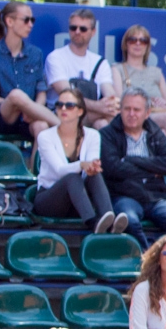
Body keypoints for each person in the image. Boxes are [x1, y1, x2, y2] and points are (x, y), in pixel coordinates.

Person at [102, 89, 166, 247]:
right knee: (129, 220)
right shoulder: (107, 134)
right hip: (124, 196)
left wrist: (132, 160)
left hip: (154, 197)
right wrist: (152, 170)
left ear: (147, 112)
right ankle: (147, 259)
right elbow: (113, 168)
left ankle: (158, 255)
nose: (131, 114)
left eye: (136, 109)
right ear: (120, 110)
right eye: (127, 109)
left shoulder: (154, 132)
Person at [33, 89, 126, 234]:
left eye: (69, 105)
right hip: (50, 200)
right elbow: (59, 170)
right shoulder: (45, 136)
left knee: (94, 174)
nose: (63, 109)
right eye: (59, 105)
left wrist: (92, 167)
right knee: (72, 177)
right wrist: (82, 165)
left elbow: (91, 163)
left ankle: (109, 219)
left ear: (80, 111)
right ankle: (93, 223)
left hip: (78, 201)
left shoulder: (93, 135)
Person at [111, 24, 166, 147]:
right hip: (132, 117)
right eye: (133, 40)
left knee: (164, 131)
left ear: (148, 46)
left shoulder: (156, 72)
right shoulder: (117, 69)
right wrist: (149, 103)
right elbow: (118, 103)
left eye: (143, 41)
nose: (138, 44)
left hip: (157, 119)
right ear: (126, 44)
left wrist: (165, 105)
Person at [44, 8, 118, 129]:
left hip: (90, 116)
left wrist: (110, 104)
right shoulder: (55, 57)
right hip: (61, 115)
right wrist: (99, 106)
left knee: (103, 123)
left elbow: (109, 93)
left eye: (83, 29)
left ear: (93, 32)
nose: (77, 32)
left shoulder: (100, 62)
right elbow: (67, 95)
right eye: (73, 28)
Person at [0, 1, 56, 138]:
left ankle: (37, 160)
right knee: (16, 95)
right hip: (1, 116)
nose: (30, 24)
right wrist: (22, 106)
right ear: (9, 21)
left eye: (32, 20)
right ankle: (64, 127)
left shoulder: (35, 53)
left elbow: (41, 92)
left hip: (28, 117)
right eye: (26, 20)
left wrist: (31, 110)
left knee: (42, 126)